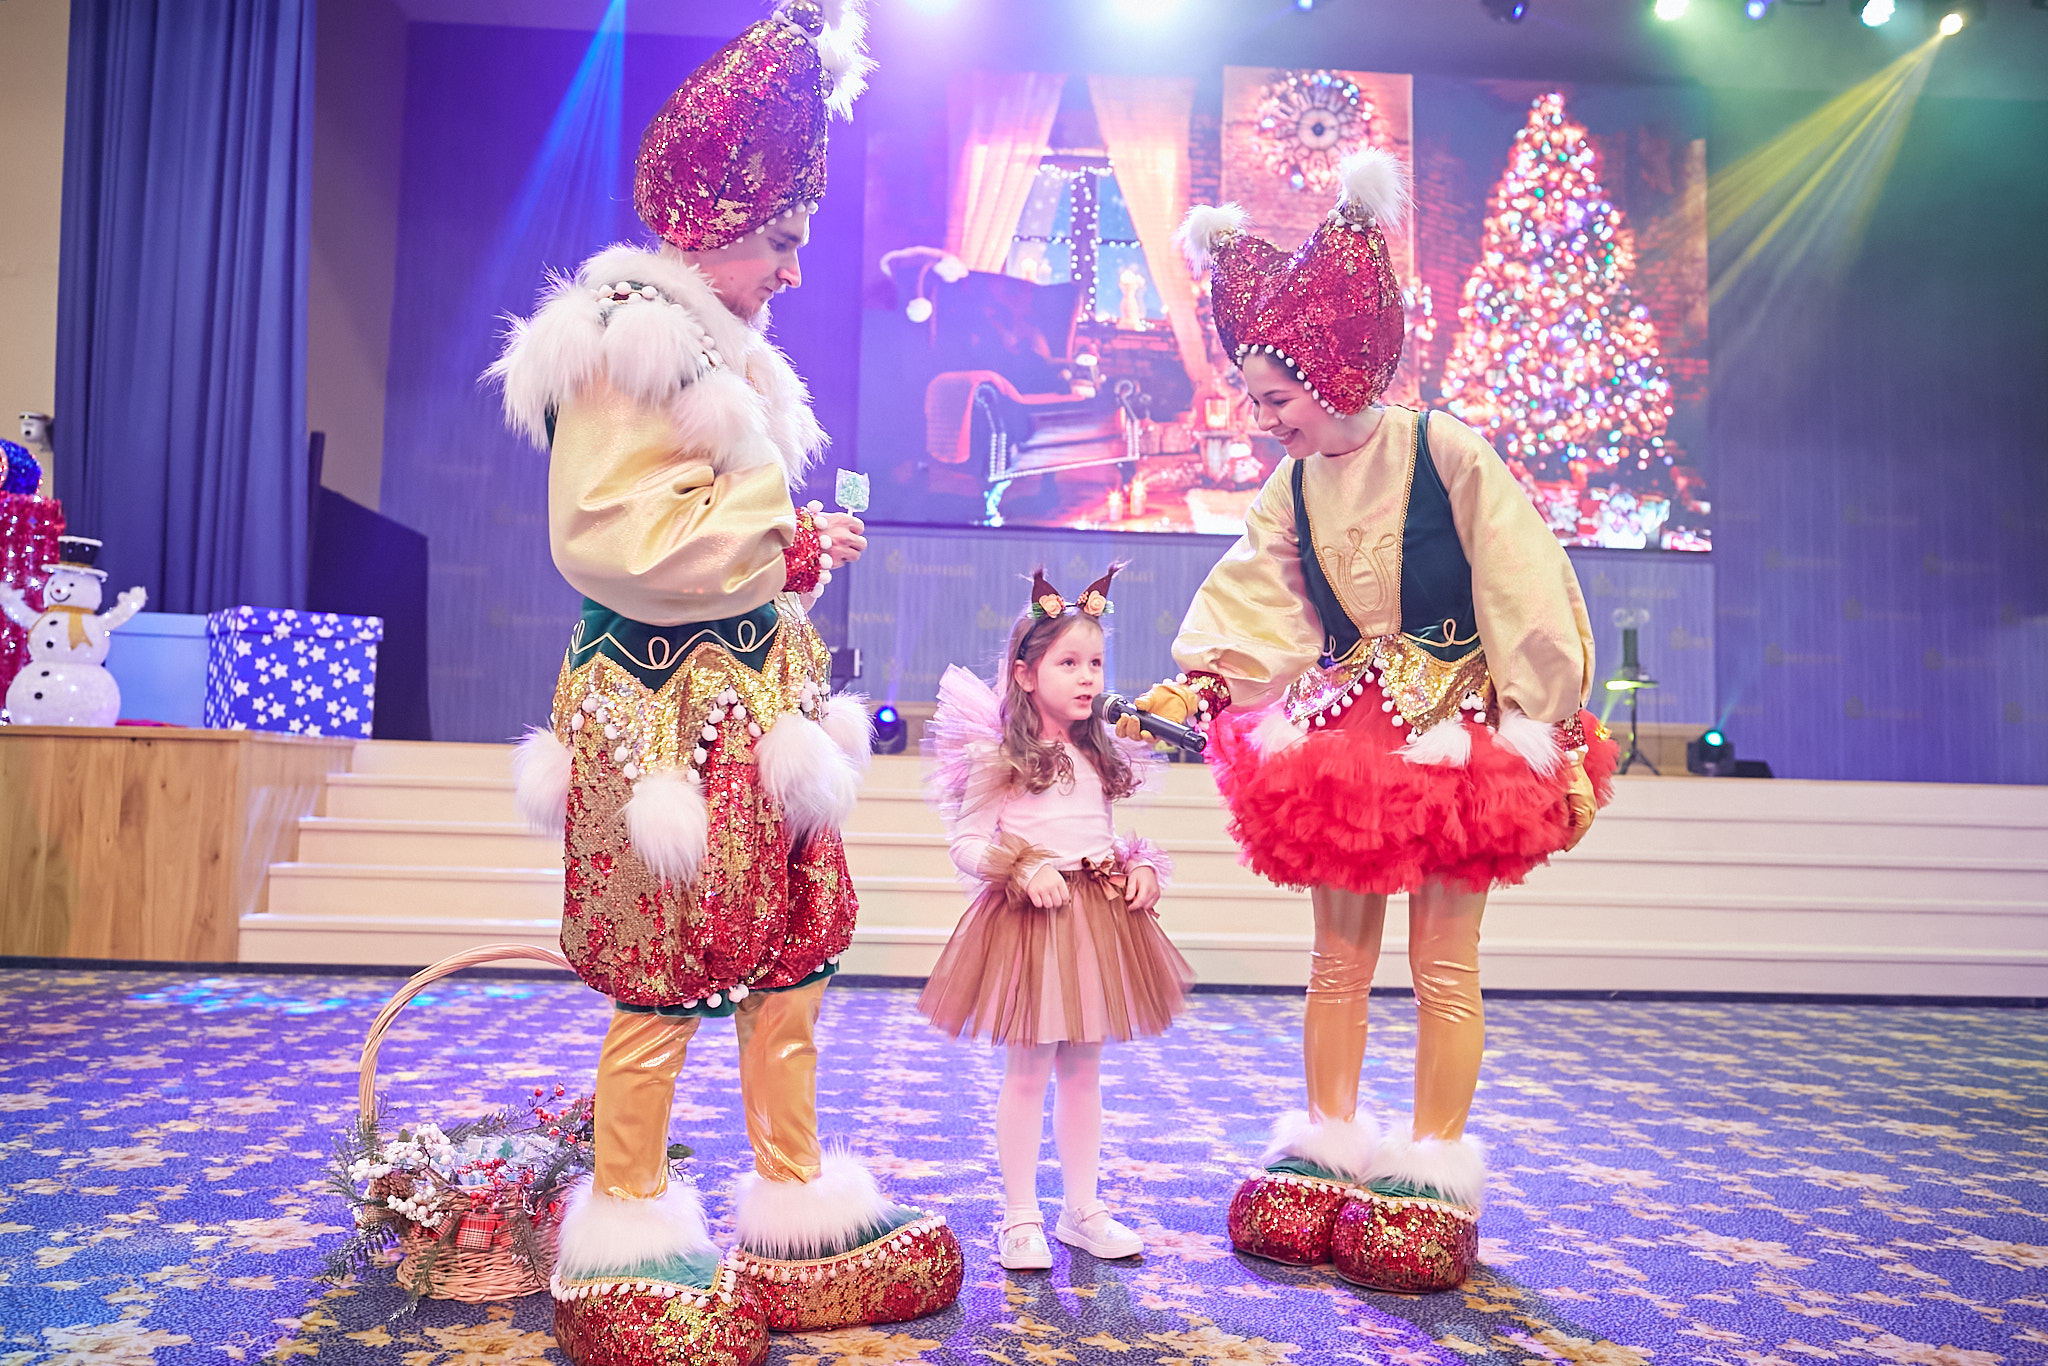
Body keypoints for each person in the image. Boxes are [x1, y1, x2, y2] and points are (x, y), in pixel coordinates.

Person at [491, 3, 961, 1358]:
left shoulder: (724, 345)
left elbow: (717, 532)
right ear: (710, 229)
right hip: (656, 725)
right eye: (782, 239)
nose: (796, 269)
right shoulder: (626, 342)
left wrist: (785, 551)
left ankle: (791, 1202)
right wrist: (776, 536)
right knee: (663, 969)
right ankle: (628, 1228)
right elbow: (612, 537)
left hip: (753, 706)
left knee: (788, 960)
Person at [1120, 148, 1618, 1293]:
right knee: (1335, 960)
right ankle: (1326, 1143)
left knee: (1442, 962)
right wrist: (1199, 683)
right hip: (1347, 738)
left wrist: (1537, 721)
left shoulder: (1444, 450)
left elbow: (1523, 585)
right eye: (1253, 401)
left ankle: (1431, 1168)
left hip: (1454, 736)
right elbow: (1257, 597)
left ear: (1337, 373)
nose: (1261, 421)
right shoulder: (1290, 484)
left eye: (1275, 400)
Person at [918, 566, 1194, 1272]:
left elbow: (1102, 835)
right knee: (1029, 1070)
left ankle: (1082, 1208)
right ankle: (1020, 1215)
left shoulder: (1099, 750)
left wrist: (1139, 866)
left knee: (1084, 1070)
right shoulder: (1003, 755)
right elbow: (967, 841)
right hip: (1034, 924)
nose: (1087, 677)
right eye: (1068, 663)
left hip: (1095, 917)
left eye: (1095, 663)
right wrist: (1021, 866)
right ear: (1025, 672)